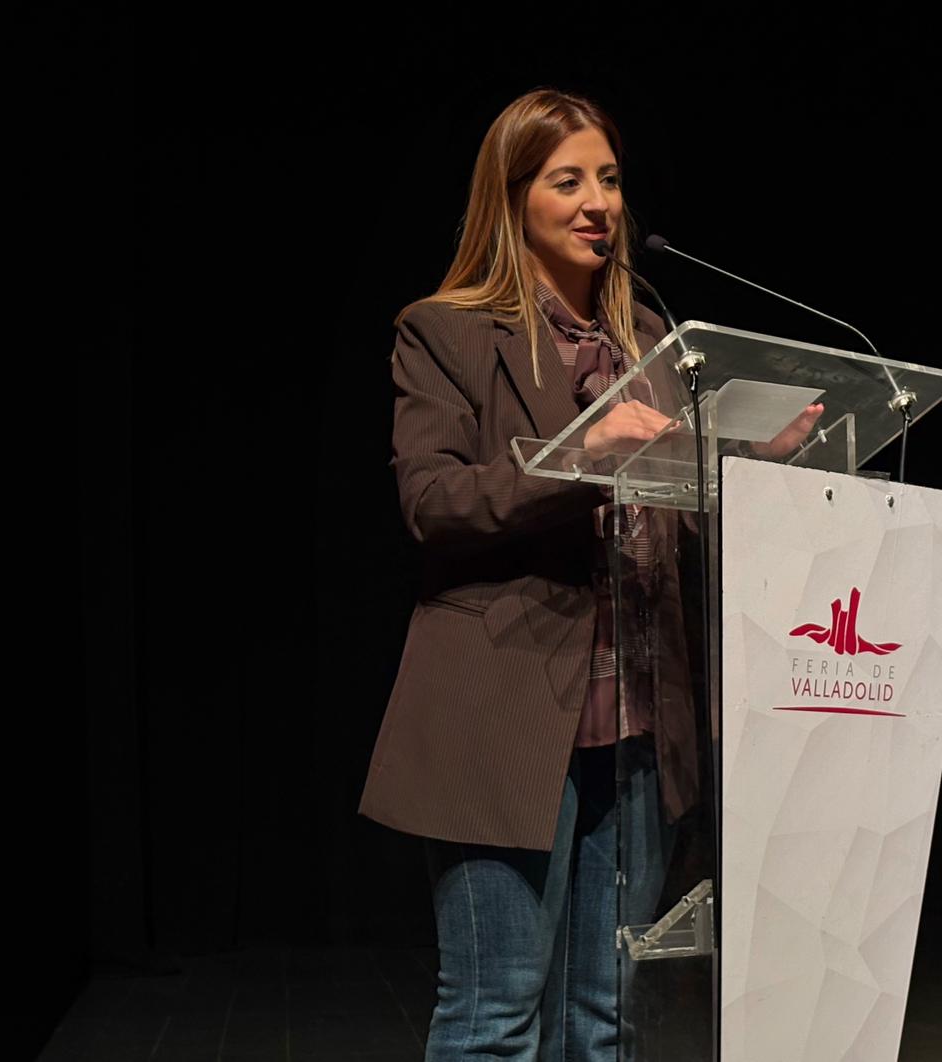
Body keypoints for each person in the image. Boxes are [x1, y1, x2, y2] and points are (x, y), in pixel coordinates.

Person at [357, 88, 696, 1061]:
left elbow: (679, 517)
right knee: (493, 1018)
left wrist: (759, 467)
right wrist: (585, 456)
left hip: (638, 725)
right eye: (567, 181)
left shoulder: (656, 348)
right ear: (512, 200)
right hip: (502, 716)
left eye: (610, 180)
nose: (599, 203)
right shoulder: (445, 332)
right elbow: (432, 501)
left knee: (607, 1022)